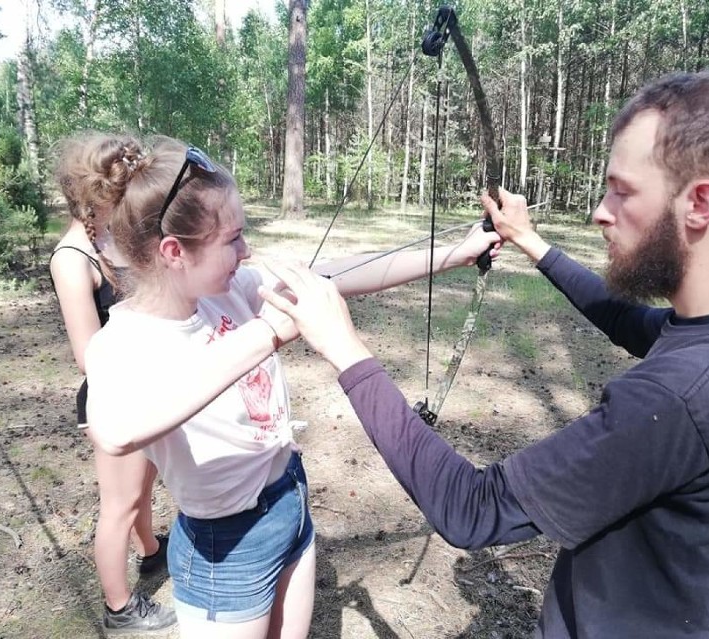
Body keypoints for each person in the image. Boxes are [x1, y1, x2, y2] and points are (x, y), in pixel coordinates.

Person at [258, 69, 709, 638]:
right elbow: (631, 322)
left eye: (622, 190)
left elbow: (472, 508)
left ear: (701, 203)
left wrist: (346, 348)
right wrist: (529, 239)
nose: (600, 212)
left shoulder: (676, 399)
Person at [81, 133, 501, 638]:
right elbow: (117, 429)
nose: (247, 248)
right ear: (174, 251)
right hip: (226, 548)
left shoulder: (232, 288)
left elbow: (340, 273)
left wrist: (456, 252)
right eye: (232, 238)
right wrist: (267, 334)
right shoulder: (123, 342)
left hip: (289, 502)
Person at [50, 134, 177, 634]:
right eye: (119, 198)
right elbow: (89, 356)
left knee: (143, 491)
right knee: (118, 506)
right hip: (112, 396)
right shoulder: (71, 258)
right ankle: (120, 607)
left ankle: (151, 553)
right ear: (94, 198)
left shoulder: (108, 240)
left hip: (140, 387)